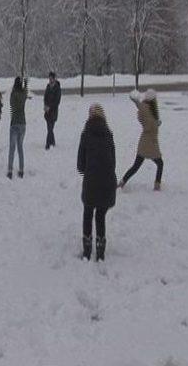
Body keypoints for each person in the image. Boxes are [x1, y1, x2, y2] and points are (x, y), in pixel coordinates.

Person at [77, 104, 116, 261]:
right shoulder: (109, 134)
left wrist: (86, 171)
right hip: (107, 181)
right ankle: (100, 249)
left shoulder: (86, 134)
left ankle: (87, 248)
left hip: (91, 181)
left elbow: (80, 164)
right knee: (101, 215)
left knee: (88, 213)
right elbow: (113, 161)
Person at [118, 89, 164, 191]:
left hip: (146, 142)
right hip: (149, 143)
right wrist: (135, 100)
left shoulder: (150, 110)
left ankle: (122, 182)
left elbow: (149, 122)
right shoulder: (146, 108)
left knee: (136, 166)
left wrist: (157, 123)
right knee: (160, 163)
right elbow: (141, 107)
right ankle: (157, 185)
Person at [7, 76, 27, 179]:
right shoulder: (24, 95)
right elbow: (26, 92)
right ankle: (21, 169)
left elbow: (11, 104)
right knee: (20, 148)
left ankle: (10, 170)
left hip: (14, 123)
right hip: (23, 123)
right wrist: (26, 83)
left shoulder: (13, 94)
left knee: (12, 148)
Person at [43, 71, 61, 149]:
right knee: (49, 128)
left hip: (53, 111)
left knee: (50, 128)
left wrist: (50, 107)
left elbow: (57, 101)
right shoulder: (47, 87)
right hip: (47, 111)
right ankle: (52, 141)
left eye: (51, 78)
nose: (50, 80)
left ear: (54, 79)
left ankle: (48, 144)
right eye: (49, 78)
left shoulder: (57, 88)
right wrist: (45, 106)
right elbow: (45, 97)